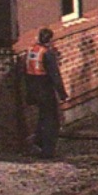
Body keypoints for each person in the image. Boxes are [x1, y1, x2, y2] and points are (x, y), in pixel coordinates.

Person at [24, 28, 68, 159]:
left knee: (42, 118)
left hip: (33, 88)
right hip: (45, 89)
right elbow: (55, 75)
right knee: (51, 121)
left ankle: (39, 142)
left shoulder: (32, 51)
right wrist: (62, 94)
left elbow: (26, 72)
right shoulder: (47, 54)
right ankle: (47, 151)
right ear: (49, 40)